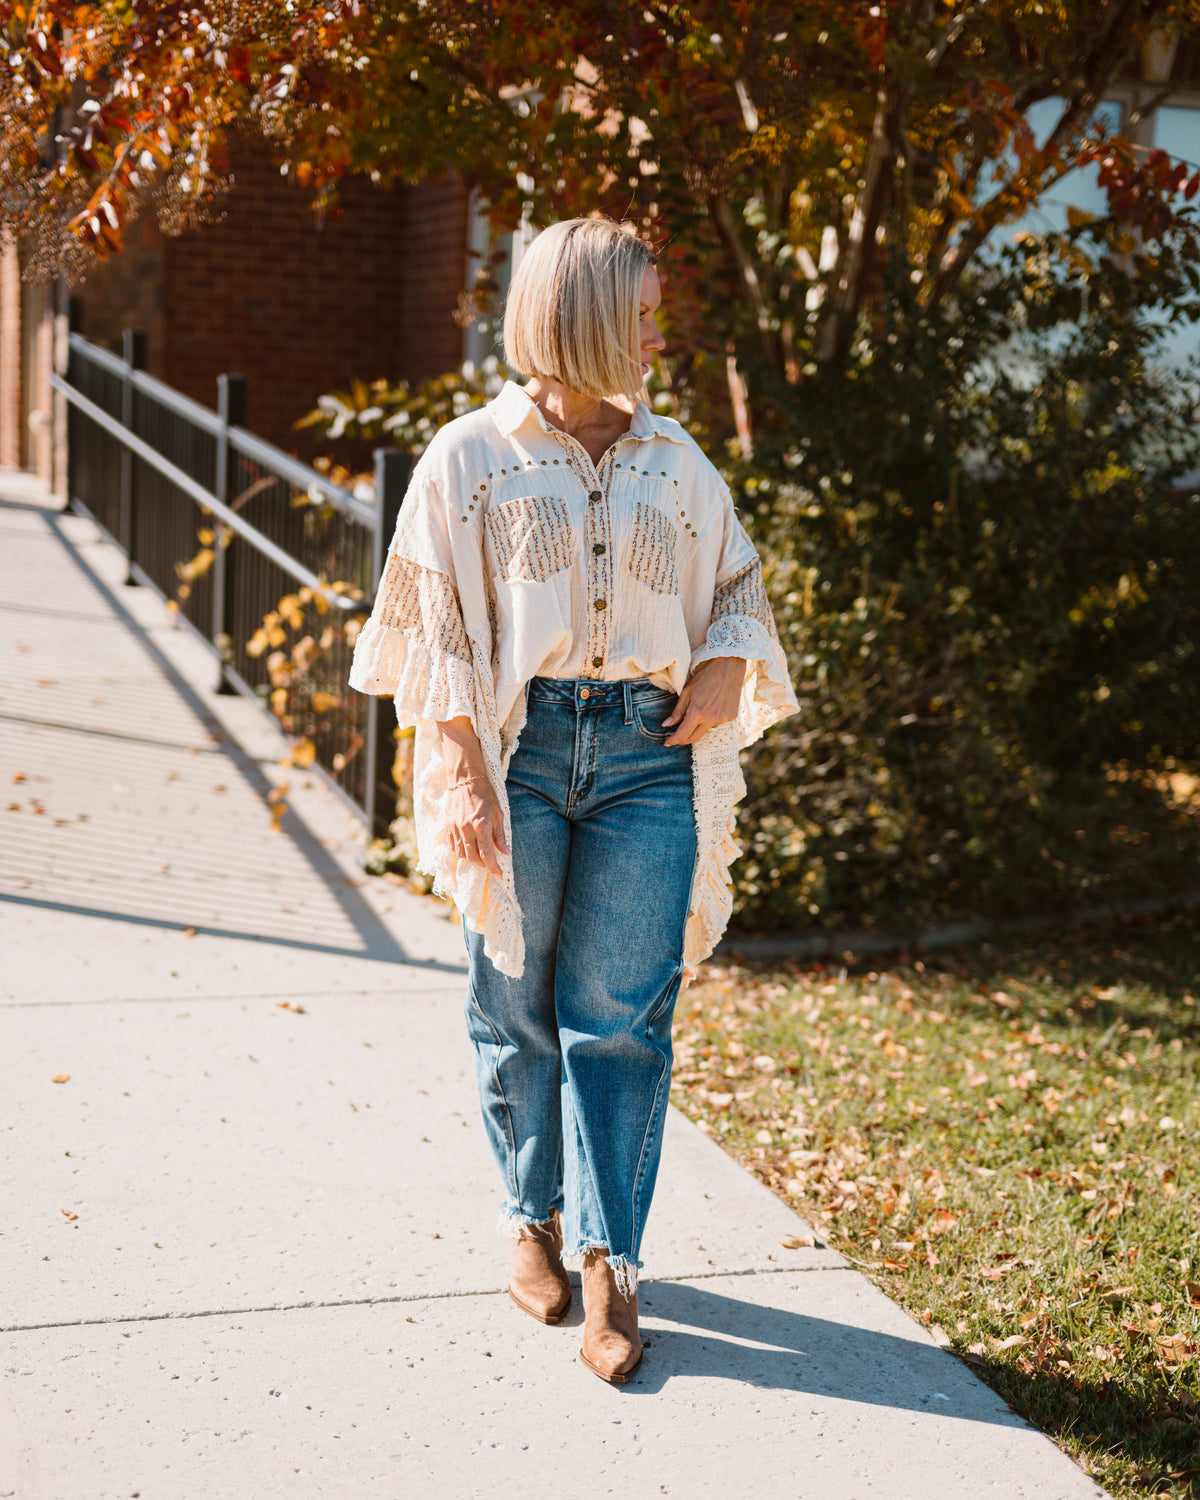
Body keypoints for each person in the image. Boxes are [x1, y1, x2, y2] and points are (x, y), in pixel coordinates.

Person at [349, 217, 797, 1384]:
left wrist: (718, 664)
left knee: (622, 1017)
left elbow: (738, 588)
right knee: (514, 1001)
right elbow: (432, 629)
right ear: (589, 316)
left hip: (650, 758)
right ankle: (530, 1221)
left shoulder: (678, 463)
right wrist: (456, 768)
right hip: (523, 752)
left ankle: (612, 1260)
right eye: (643, 309)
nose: (660, 328)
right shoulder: (470, 458)